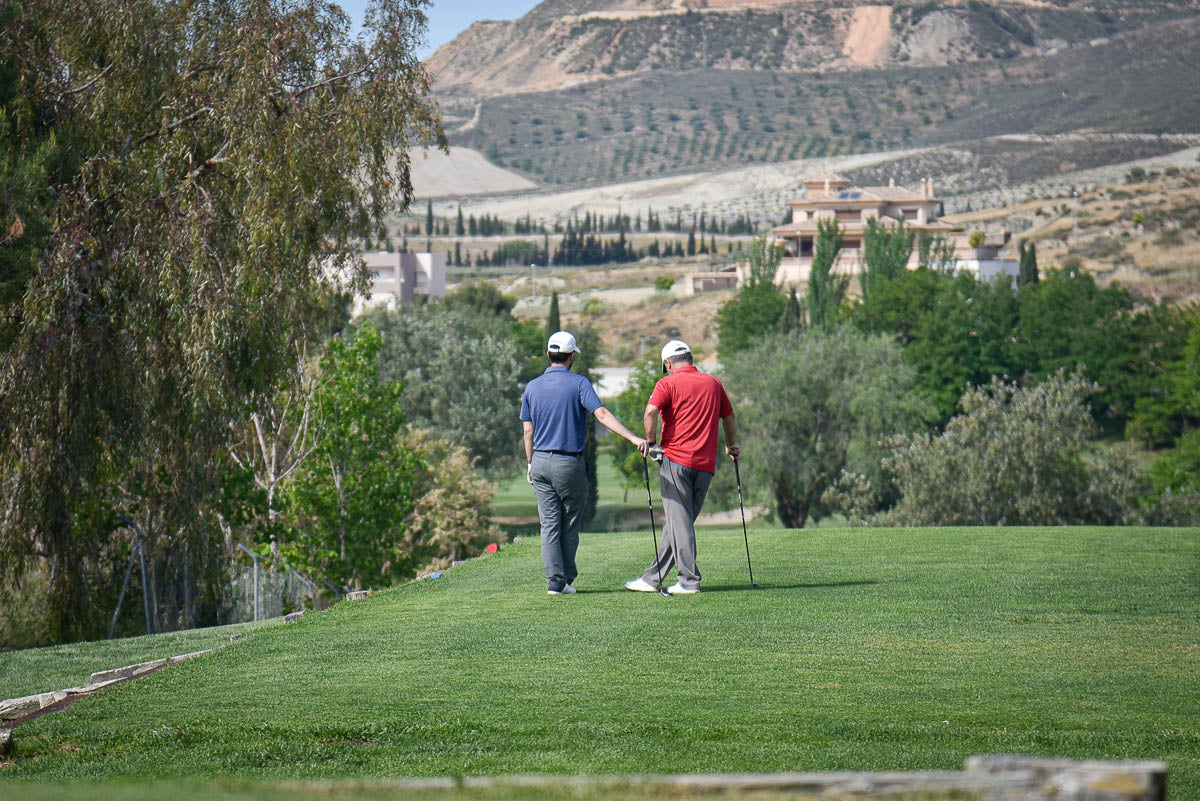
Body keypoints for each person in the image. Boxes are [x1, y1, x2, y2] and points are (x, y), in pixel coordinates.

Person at [521, 331, 649, 595]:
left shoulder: (532, 387)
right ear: (571, 358)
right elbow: (601, 413)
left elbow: (527, 432)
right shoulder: (579, 383)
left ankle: (555, 581)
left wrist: (531, 463)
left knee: (549, 524)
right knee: (569, 521)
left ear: (548, 354)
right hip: (569, 463)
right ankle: (564, 579)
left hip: (541, 461)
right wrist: (632, 437)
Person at [626, 339, 738, 595]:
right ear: (690, 358)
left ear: (668, 363)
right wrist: (731, 446)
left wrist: (652, 443)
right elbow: (729, 417)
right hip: (705, 465)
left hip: (676, 462)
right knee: (679, 522)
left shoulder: (667, 383)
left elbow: (651, 411)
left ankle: (689, 580)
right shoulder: (713, 383)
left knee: (679, 522)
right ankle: (652, 578)